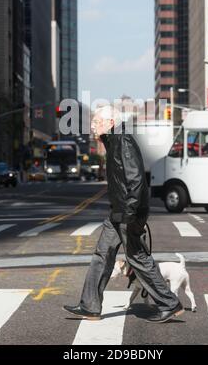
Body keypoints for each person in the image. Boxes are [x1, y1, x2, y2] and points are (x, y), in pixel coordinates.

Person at [63, 105, 183, 323]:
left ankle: (169, 303)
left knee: (137, 258)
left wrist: (130, 213)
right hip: (118, 212)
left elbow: (136, 180)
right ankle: (90, 305)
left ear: (110, 123)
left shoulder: (122, 141)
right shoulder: (113, 141)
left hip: (128, 213)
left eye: (97, 122)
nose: (92, 125)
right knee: (102, 255)